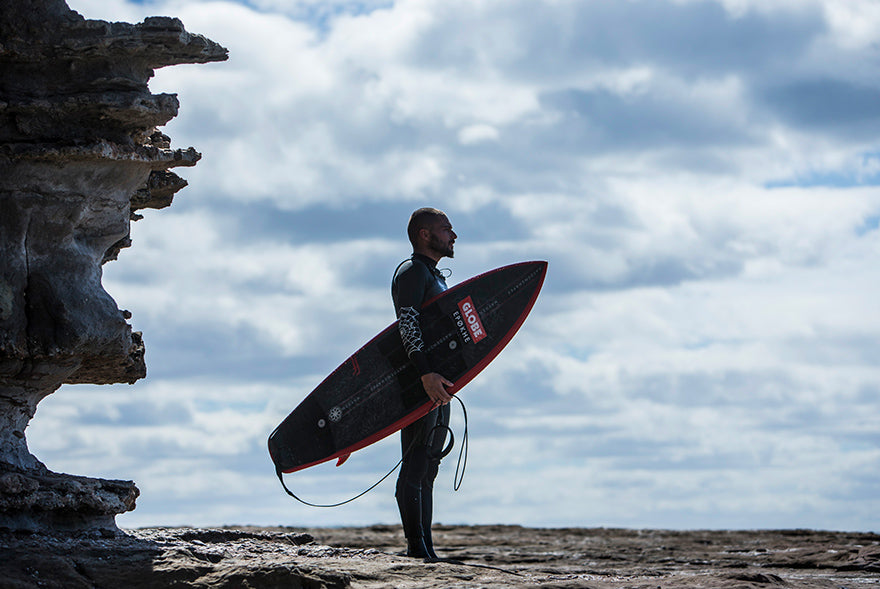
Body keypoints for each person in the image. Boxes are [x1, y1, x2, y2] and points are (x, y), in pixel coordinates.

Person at [391, 207, 457, 560]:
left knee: (429, 468)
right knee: (415, 465)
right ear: (424, 235)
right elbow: (408, 324)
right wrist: (425, 373)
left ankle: (427, 549)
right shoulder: (413, 272)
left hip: (438, 385)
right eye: (446, 229)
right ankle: (416, 550)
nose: (454, 235)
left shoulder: (435, 276)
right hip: (420, 382)